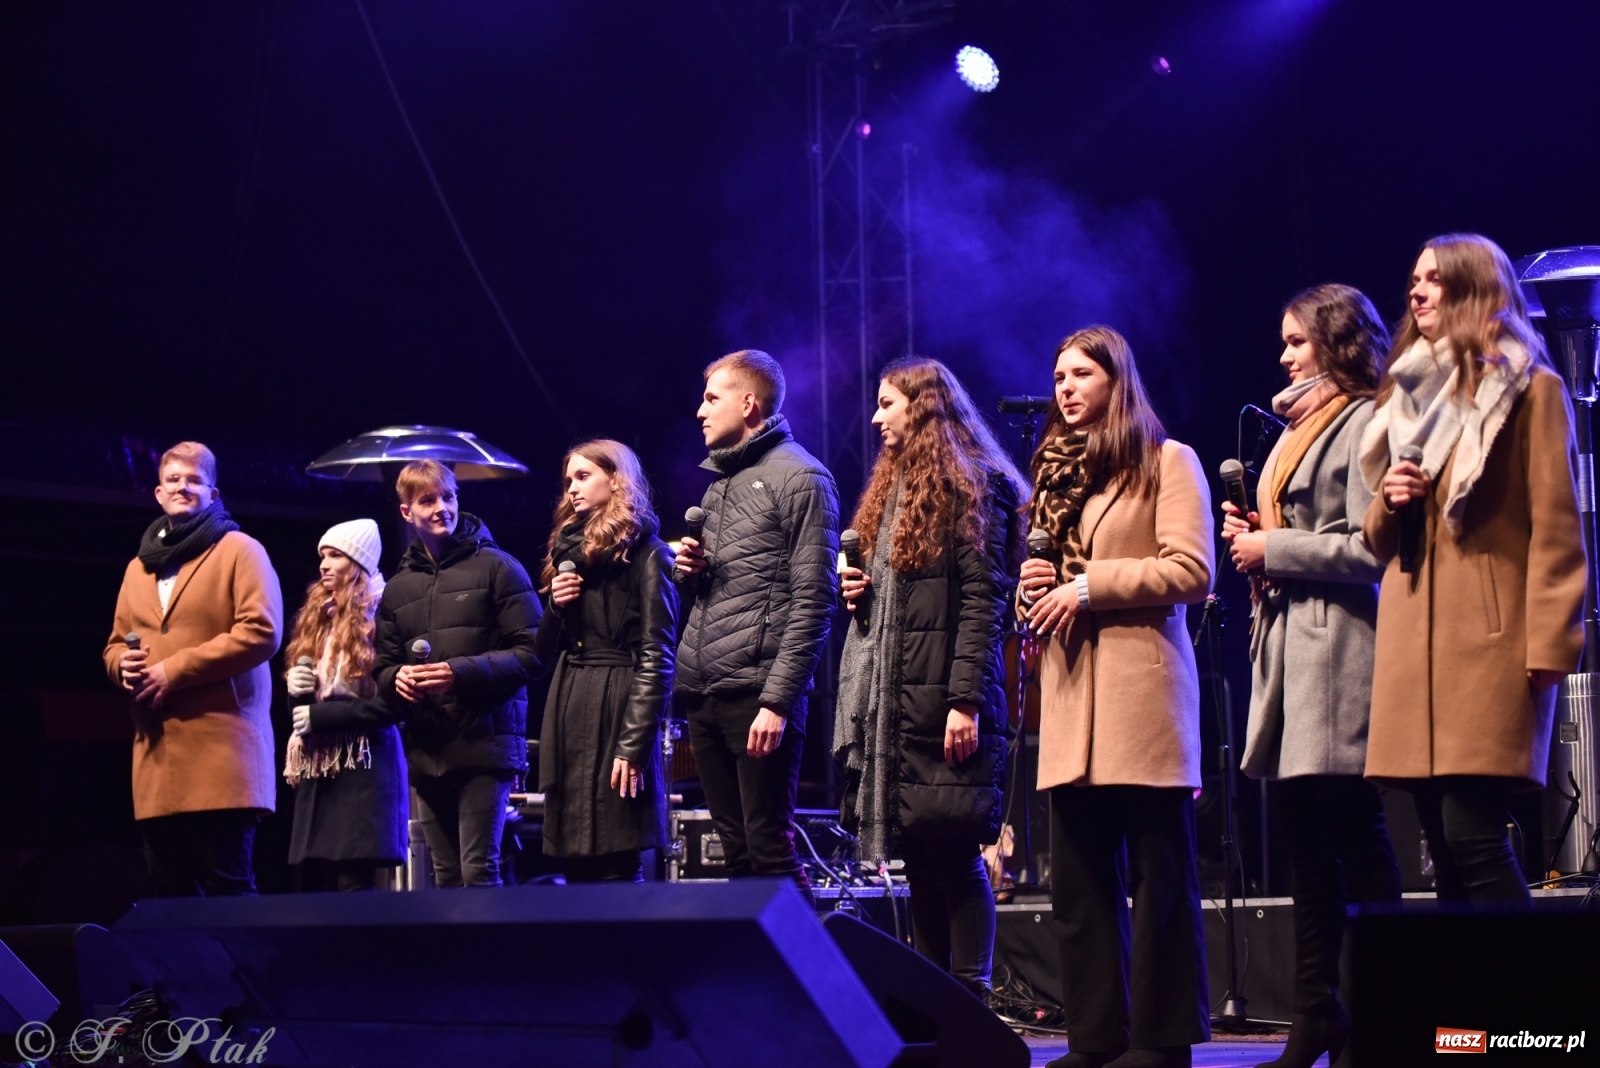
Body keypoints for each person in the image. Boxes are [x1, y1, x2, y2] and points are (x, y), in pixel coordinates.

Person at [1359, 233, 1586, 909]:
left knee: (1473, 837)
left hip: (1489, 650)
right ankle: (1470, 1013)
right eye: (1414, 279)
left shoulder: (1530, 390)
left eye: (1435, 279)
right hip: (1412, 651)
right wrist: (1388, 498)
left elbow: (1558, 525)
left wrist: (1550, 645)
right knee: (1440, 844)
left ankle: (1536, 1007)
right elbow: (1376, 540)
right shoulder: (1406, 400)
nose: (1416, 291)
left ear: (1474, 290)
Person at [1019, 326, 1213, 1068]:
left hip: (1141, 697)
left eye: (1080, 375)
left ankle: (1164, 1044)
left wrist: (1089, 586)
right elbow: (1045, 588)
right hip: (1071, 702)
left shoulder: (1168, 462)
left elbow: (1192, 570)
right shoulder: (1057, 475)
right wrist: (1031, 595)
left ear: (1115, 380)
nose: (1065, 388)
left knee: (1158, 880)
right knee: (1079, 887)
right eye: (1058, 375)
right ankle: (1095, 1039)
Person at [1220, 286, 1403, 1068]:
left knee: (1353, 838)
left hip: (1340, 654)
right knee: (1305, 849)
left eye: (1297, 341)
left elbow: (1370, 551)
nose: (1285, 355)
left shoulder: (1364, 419)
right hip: (1289, 653)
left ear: (1334, 343)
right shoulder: (1299, 426)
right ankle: (1315, 1013)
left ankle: (1383, 1009)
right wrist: (1259, 538)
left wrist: (1276, 550)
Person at [834, 357, 1024, 998]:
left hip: (944, 698)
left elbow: (984, 601)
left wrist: (964, 700)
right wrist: (859, 594)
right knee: (919, 857)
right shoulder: (893, 491)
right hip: (896, 701)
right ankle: (938, 1000)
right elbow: (899, 604)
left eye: (888, 404)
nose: (876, 416)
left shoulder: (977, 486)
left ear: (924, 407)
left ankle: (970, 996)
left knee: (955, 853)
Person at [673, 349, 840, 893]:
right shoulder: (719, 484)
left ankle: (818, 976)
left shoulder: (802, 478)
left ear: (748, 403)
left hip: (758, 695)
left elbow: (815, 598)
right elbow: (731, 591)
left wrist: (778, 700)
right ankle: (760, 978)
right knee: (738, 853)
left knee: (768, 848)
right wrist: (691, 574)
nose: (700, 410)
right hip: (708, 690)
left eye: (711, 398)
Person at [102, 441, 282, 896]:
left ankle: (242, 972)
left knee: (228, 892)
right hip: (157, 760)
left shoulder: (240, 551)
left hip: (221, 756)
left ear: (214, 494)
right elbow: (113, 645)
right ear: (158, 494)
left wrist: (173, 670)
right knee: (169, 899)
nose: (184, 488)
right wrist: (122, 665)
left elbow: (261, 631)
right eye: (174, 480)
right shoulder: (137, 569)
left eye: (195, 481)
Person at [374, 460, 543, 888]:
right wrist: (395, 679)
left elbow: (534, 653)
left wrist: (457, 673)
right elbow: (380, 666)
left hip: (484, 745)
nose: (441, 508)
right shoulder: (398, 588)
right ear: (406, 512)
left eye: (447, 497)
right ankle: (455, 957)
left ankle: (491, 957)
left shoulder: (497, 567)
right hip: (429, 747)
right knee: (444, 875)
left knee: (478, 870)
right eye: (427, 500)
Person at [535, 440, 678, 882]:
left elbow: (659, 655)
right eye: (568, 481)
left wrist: (634, 744)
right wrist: (557, 608)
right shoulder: (566, 553)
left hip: (618, 706)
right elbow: (540, 655)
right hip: (571, 701)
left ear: (615, 478)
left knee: (618, 855)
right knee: (574, 857)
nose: (572, 490)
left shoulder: (649, 553)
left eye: (583, 476)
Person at [282, 519, 408, 891]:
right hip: (322, 765)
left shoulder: (382, 616)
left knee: (354, 885)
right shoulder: (321, 618)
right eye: (322, 554)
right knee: (319, 887)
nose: (323, 564)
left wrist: (320, 715)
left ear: (357, 563)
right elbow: (304, 709)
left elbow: (393, 704)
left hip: (363, 766)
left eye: (335, 555)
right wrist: (297, 689)